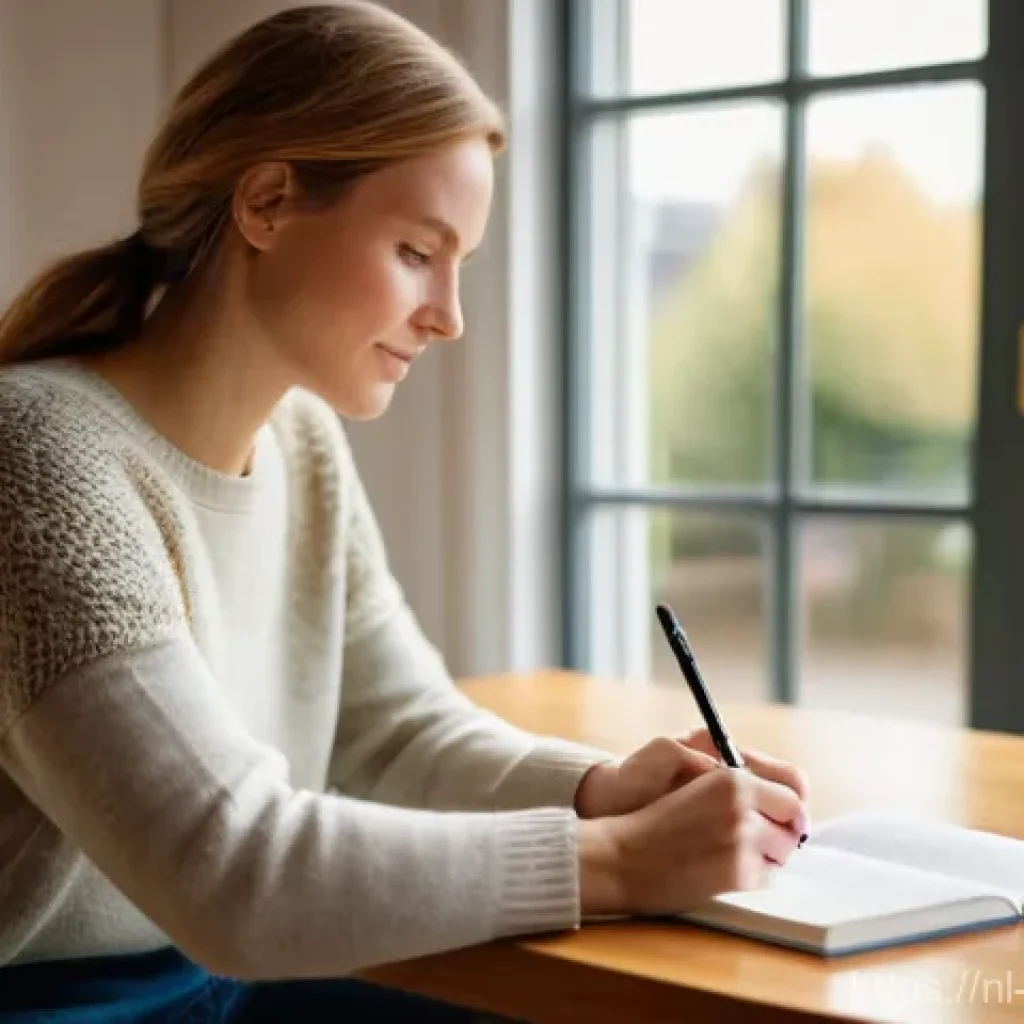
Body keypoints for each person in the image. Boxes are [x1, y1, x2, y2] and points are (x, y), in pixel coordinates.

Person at [0, 3, 810, 1020]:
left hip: (224, 986)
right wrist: (615, 860)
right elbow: (236, 874)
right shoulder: (36, 458)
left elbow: (396, 735)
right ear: (266, 203)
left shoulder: (301, 444)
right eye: (418, 252)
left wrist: (598, 792)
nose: (449, 316)